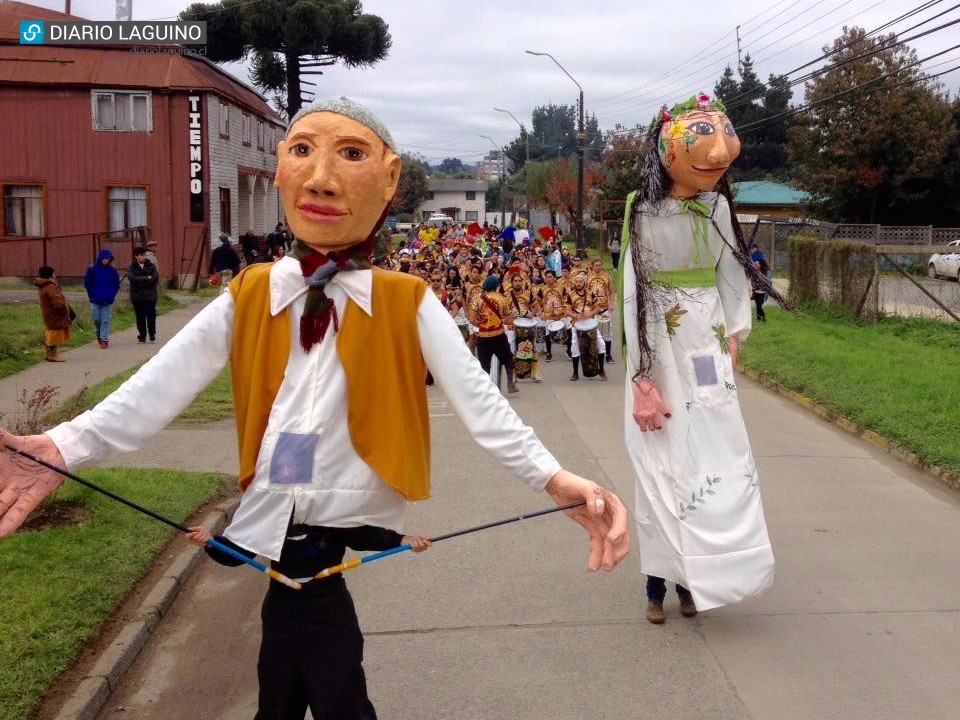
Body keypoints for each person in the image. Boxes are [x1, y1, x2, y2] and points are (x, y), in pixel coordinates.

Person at [0, 98, 629, 720]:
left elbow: (482, 403)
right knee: (290, 679)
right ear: (279, 169)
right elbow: (162, 381)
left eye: (350, 155)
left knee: (320, 678)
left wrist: (555, 478)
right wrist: (64, 447)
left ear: (388, 179)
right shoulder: (250, 290)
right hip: (272, 517)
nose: (322, 178)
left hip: (339, 518)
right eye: (303, 151)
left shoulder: (405, 300)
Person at [620, 93, 786, 624]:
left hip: (706, 343)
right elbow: (631, 290)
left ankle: (699, 578)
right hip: (658, 342)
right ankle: (655, 585)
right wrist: (642, 373)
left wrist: (735, 331)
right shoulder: (639, 208)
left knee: (716, 459)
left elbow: (730, 272)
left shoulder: (716, 206)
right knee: (662, 464)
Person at [83, 249, 121, 349]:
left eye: (109, 259)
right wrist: (93, 294)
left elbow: (116, 284)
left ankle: (104, 339)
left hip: (108, 299)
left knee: (105, 320)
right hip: (95, 299)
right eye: (105, 258)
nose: (107, 260)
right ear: (101, 258)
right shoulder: (92, 269)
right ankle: (98, 334)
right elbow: (87, 283)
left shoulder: (112, 270)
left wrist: (112, 294)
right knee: (96, 319)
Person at [34, 265, 71, 362]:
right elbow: (57, 302)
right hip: (55, 314)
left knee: (50, 332)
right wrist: (64, 309)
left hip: (48, 313)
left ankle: (49, 354)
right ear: (50, 275)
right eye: (53, 273)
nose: (55, 275)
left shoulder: (42, 285)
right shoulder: (50, 286)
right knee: (55, 333)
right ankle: (53, 355)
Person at [128, 246, 159, 343]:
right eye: (142, 255)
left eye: (145, 255)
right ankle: (142, 335)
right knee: (140, 317)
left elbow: (154, 279)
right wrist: (146, 278)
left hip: (150, 296)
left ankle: (152, 333)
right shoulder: (132, 268)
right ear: (136, 256)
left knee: (151, 315)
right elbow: (132, 279)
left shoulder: (151, 266)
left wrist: (141, 280)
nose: (144, 257)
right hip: (137, 297)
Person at [753, 257, 771, 322]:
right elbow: (753, 281)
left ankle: (763, 319)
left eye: (758, 264)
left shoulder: (765, 272)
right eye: (756, 264)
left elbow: (767, 282)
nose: (757, 265)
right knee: (757, 306)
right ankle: (758, 318)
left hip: (762, 293)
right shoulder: (755, 272)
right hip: (756, 292)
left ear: (761, 264)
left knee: (759, 305)